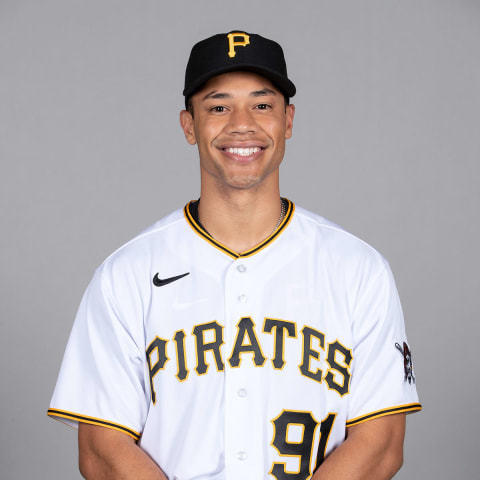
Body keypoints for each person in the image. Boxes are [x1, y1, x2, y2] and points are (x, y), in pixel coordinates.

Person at [48, 31, 421, 480]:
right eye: (218, 106)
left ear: (288, 121)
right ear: (189, 125)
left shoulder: (358, 269)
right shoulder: (125, 273)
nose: (241, 124)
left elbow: (380, 444)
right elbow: (101, 449)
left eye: (262, 105)